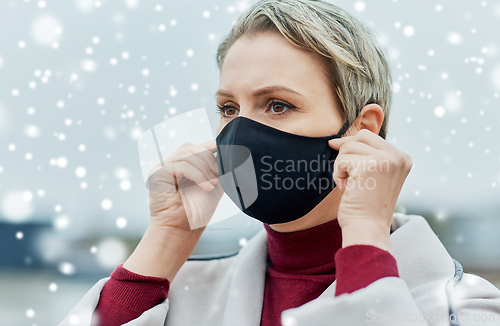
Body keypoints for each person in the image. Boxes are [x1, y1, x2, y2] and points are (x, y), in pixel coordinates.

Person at [59, 1, 500, 325]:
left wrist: (364, 233)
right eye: (229, 109)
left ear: (361, 129)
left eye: (277, 106)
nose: (239, 134)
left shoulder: (464, 307)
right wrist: (168, 235)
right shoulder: (181, 298)